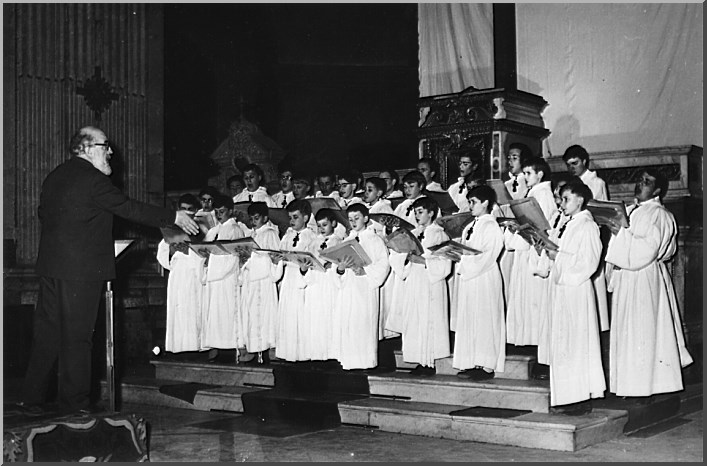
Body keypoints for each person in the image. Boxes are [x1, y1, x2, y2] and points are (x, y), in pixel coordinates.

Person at [21, 125, 198, 415]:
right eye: (105, 146)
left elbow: (46, 214)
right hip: (81, 271)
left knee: (49, 334)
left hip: (52, 268)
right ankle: (75, 407)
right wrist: (172, 215)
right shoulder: (92, 180)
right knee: (78, 338)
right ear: (87, 148)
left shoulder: (55, 176)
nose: (111, 151)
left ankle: (32, 399)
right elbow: (128, 208)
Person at [604, 169, 693, 399]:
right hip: (628, 277)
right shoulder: (632, 210)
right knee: (627, 331)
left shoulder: (659, 214)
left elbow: (647, 250)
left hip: (645, 278)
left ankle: (644, 386)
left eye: (646, 182)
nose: (639, 184)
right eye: (639, 180)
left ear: (657, 190)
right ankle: (627, 384)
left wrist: (620, 233)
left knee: (643, 331)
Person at [542, 181, 605, 415]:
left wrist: (557, 256)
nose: (562, 203)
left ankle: (579, 398)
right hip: (564, 289)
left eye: (566, 198)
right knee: (565, 344)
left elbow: (588, 263)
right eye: (561, 199)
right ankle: (567, 396)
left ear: (580, 200)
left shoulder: (588, 226)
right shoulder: (570, 224)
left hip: (576, 290)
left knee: (577, 344)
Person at [388, 197, 451, 376]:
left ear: (431, 213)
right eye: (415, 212)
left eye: (421, 212)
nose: (417, 216)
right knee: (414, 319)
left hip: (430, 282)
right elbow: (398, 257)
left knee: (427, 319)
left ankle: (429, 362)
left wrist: (423, 261)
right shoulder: (413, 233)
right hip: (414, 280)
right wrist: (403, 256)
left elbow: (445, 264)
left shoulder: (439, 234)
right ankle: (419, 360)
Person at [453, 185, 506, 381]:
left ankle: (485, 365)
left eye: (473, 202)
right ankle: (471, 361)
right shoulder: (471, 225)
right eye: (469, 202)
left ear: (485, 203)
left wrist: (466, 259)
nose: (470, 205)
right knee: (470, 318)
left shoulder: (491, 225)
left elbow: (488, 255)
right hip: (470, 277)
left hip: (483, 277)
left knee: (484, 319)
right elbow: (467, 249)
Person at [504, 156, 556, 349]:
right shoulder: (533, 192)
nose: (525, 177)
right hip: (526, 248)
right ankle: (526, 341)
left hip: (535, 251)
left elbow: (544, 226)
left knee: (535, 299)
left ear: (540, 174)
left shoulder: (543, 194)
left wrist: (523, 228)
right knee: (525, 298)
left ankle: (536, 346)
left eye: (528, 173)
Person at [335, 203, 391, 370]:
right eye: (350, 219)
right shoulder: (347, 240)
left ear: (366, 218)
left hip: (365, 289)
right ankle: (349, 363)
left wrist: (365, 270)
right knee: (348, 324)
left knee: (363, 325)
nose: (353, 222)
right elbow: (338, 265)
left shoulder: (374, 240)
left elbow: (383, 265)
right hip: (348, 289)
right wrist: (340, 269)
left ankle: (365, 364)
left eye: (357, 218)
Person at [156, 194, 206, 354]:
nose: (186, 213)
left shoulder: (202, 228)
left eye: (190, 210)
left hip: (193, 275)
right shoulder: (171, 228)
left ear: (196, 211)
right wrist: (171, 250)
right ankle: (178, 348)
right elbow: (162, 253)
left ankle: (195, 347)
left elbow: (206, 253)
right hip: (177, 275)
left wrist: (190, 251)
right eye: (183, 209)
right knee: (178, 311)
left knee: (192, 311)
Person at [200, 195, 247, 362]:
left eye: (222, 212)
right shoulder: (213, 230)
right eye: (217, 212)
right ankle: (214, 345)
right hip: (214, 277)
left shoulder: (235, 229)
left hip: (227, 277)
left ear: (231, 211)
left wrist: (218, 272)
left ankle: (236, 348)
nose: (219, 215)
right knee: (214, 312)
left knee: (229, 312)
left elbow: (236, 255)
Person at [272, 199, 318, 361]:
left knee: (301, 317)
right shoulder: (288, 235)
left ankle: (303, 355)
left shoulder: (312, 236)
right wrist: (278, 259)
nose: (291, 221)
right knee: (288, 317)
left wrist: (303, 269)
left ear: (306, 218)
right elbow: (282, 254)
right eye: (290, 217)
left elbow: (314, 261)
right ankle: (288, 354)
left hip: (302, 280)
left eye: (295, 217)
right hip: (288, 281)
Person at [238, 202, 280, 364]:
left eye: (257, 218)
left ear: (265, 218)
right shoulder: (251, 235)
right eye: (251, 219)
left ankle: (269, 348)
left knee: (265, 315)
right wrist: (243, 260)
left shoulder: (270, 234)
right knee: (250, 314)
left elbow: (274, 257)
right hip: (250, 281)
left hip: (263, 280)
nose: (253, 221)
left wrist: (253, 258)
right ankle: (252, 348)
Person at [303, 208, 344, 361]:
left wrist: (332, 266)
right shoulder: (313, 242)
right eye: (319, 226)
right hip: (315, 284)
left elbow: (340, 262)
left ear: (333, 223)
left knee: (329, 318)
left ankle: (330, 355)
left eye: (325, 225)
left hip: (329, 285)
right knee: (315, 320)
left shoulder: (338, 241)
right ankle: (316, 355)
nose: (321, 229)